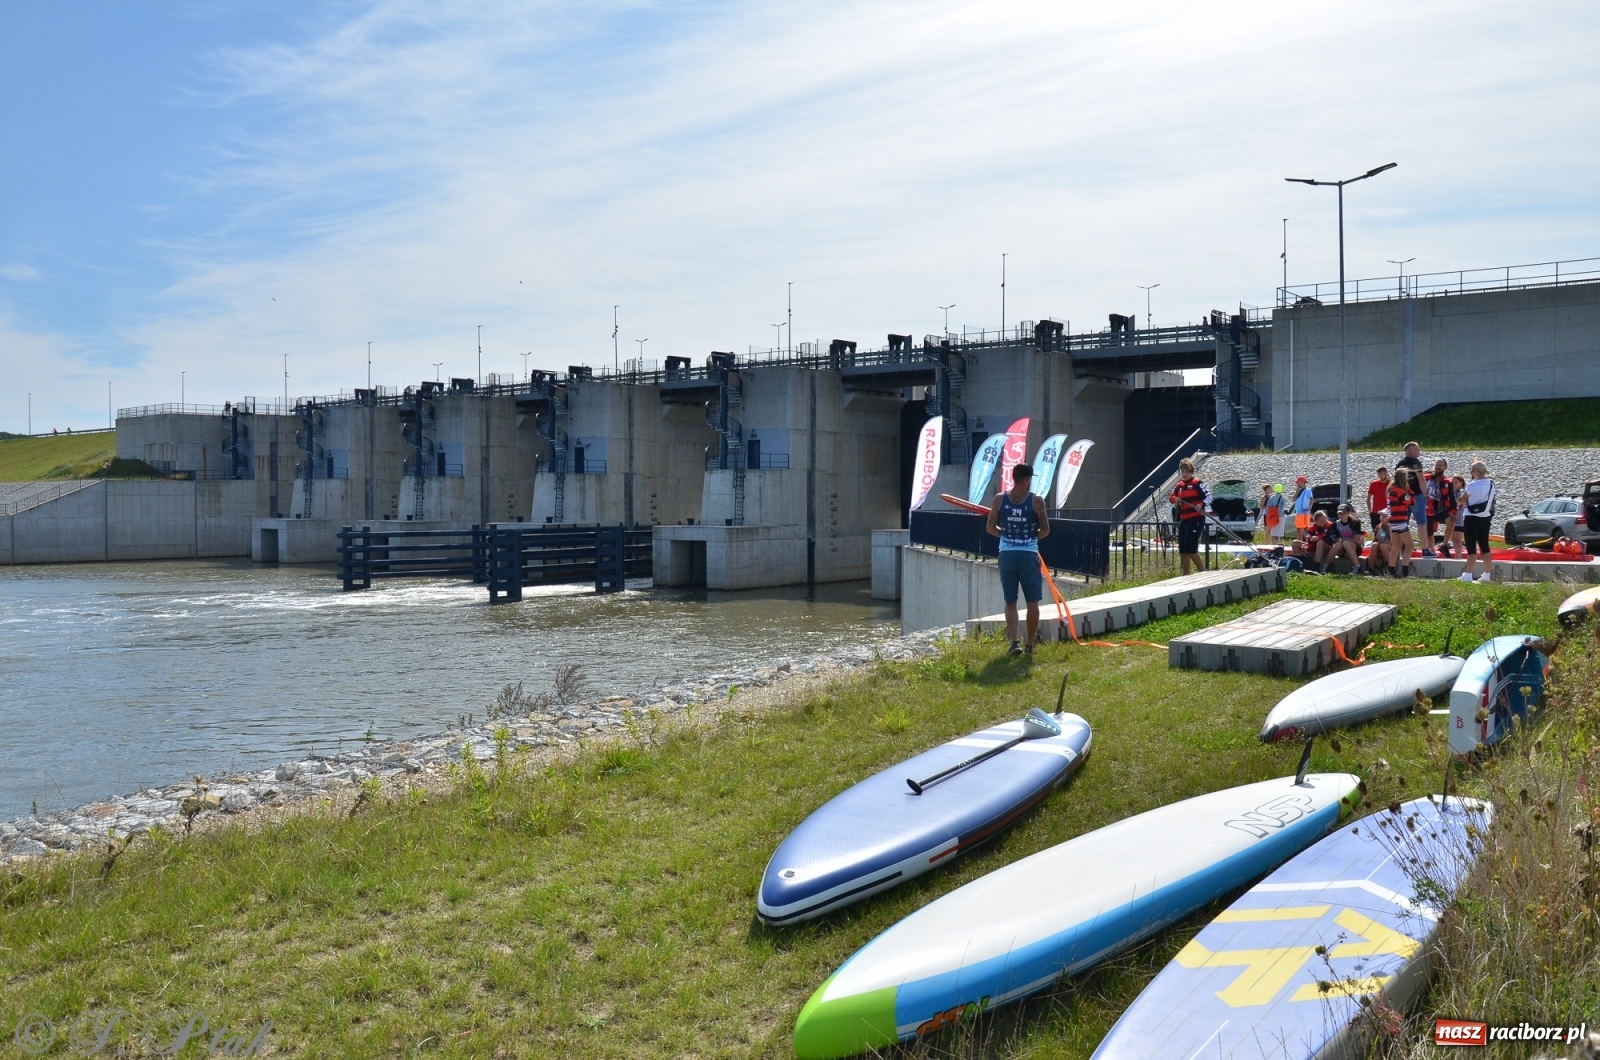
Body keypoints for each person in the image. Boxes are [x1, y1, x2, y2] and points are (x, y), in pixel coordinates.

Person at [986, 462, 1050, 655]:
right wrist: (1029, 538)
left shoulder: (999, 499)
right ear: (1028, 479)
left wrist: (1006, 537)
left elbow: (990, 527)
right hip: (1029, 555)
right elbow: (1045, 529)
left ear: (1013, 478)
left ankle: (1015, 643)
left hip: (1007, 555)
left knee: (1010, 601)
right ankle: (1030, 644)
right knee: (1032, 602)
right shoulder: (1036, 501)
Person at [1168, 458, 1212, 576]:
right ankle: (1185, 575)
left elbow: (1209, 497)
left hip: (1196, 519)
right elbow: (1171, 497)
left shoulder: (1198, 483)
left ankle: (1203, 572)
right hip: (1184, 520)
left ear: (1191, 471)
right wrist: (1175, 499)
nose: (1184, 474)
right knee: (1182, 549)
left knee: (1190, 547)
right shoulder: (1179, 486)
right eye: (1182, 472)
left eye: (1186, 471)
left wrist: (1200, 504)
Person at [1459, 459, 1496, 584]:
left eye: (1472, 471)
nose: (1471, 473)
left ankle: (1468, 574)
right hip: (1485, 517)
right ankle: (1487, 574)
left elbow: (1463, 499)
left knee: (1471, 547)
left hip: (1471, 518)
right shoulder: (1491, 484)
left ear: (1476, 472)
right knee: (1484, 546)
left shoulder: (1472, 485)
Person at [1386, 468, 1419, 577]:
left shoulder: (1391, 489)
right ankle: (1405, 570)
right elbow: (1411, 501)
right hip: (1400, 521)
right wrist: (1410, 491)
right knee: (1410, 546)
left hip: (1392, 520)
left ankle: (1391, 570)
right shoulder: (1399, 490)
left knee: (1396, 546)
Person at [1423, 457, 1455, 557]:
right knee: (1430, 533)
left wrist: (1453, 511)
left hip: (1441, 509)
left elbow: (1452, 497)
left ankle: (1444, 545)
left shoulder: (1447, 482)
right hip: (1428, 510)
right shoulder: (1426, 478)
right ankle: (1431, 550)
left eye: (1440, 465)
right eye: (1436, 465)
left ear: (1445, 467)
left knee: (1451, 521)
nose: (1437, 467)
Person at [1396, 441, 1427, 539]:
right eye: (1418, 449)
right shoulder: (1415, 462)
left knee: (1403, 524)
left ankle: (1403, 546)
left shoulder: (1400, 464)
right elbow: (1421, 479)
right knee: (1421, 523)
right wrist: (1425, 494)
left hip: (1402, 496)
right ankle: (1425, 548)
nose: (1418, 452)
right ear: (1412, 449)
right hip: (1416, 495)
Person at [1326, 503, 1365, 572]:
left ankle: (1357, 566)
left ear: (1348, 513)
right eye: (1340, 514)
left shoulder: (1355, 523)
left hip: (1354, 548)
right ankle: (1325, 566)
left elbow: (1356, 539)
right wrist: (1341, 541)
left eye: (1344, 513)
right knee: (1338, 544)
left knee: (1346, 543)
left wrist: (1344, 540)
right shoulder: (1335, 524)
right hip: (1342, 550)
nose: (1341, 515)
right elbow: (1336, 539)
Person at [1448, 473, 1469, 557]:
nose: (1454, 485)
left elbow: (1458, 502)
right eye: (1452, 483)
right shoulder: (1451, 492)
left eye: (1456, 482)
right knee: (1453, 538)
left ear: (1461, 483)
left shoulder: (1463, 492)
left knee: (1458, 540)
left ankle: (1458, 558)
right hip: (1453, 518)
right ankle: (1456, 556)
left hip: (1460, 519)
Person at [1366, 511, 1393, 576]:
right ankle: (1371, 568)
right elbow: (1375, 541)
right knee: (1374, 545)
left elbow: (1396, 543)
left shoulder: (1393, 527)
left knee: (1383, 546)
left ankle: (1391, 568)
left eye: (1384, 516)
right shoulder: (1379, 526)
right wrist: (1377, 537)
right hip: (1381, 547)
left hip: (1392, 550)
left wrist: (1389, 542)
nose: (1381, 518)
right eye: (1381, 516)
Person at [1291, 475, 1312, 547]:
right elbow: (1293, 499)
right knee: (1299, 530)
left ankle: (1308, 545)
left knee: (1306, 530)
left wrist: (1309, 508)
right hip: (1299, 513)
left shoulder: (1308, 490)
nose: (1297, 484)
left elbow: (1312, 499)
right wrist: (1296, 492)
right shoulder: (1298, 490)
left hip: (1305, 512)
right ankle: (1299, 545)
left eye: (1298, 482)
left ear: (1302, 482)